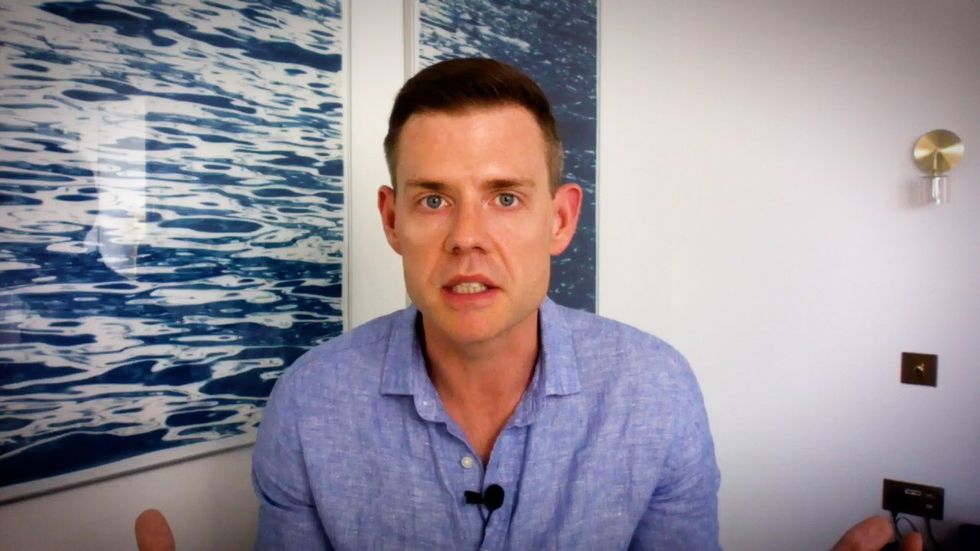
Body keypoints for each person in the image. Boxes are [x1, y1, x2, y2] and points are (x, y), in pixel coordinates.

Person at [252, 57, 712, 549]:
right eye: (433, 200)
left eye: (505, 198)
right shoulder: (307, 405)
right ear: (392, 220)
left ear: (560, 220)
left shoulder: (657, 394)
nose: (466, 237)